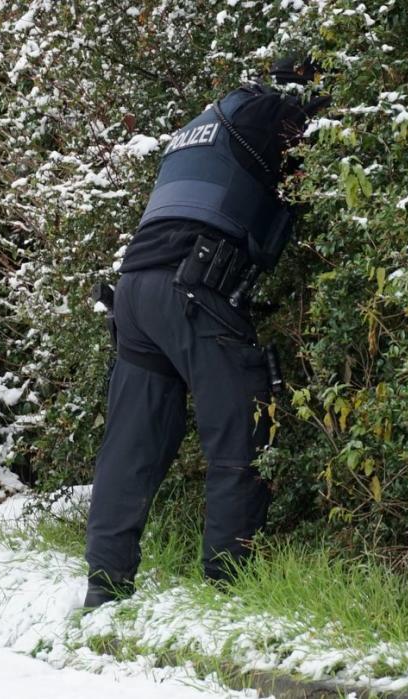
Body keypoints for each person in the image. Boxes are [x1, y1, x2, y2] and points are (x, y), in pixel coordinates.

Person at [83, 56, 329, 607]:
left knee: (131, 447)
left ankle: (105, 587)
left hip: (136, 292)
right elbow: (314, 161)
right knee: (240, 431)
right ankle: (228, 589)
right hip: (193, 288)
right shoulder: (270, 112)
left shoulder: (205, 122)